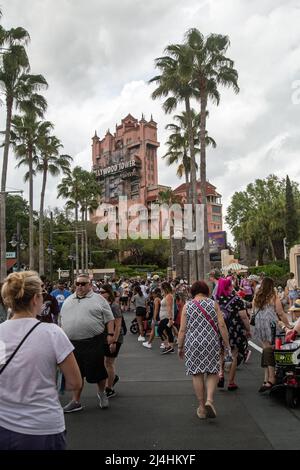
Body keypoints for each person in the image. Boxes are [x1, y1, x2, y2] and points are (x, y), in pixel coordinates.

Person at [0, 271, 82, 450]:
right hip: (43, 426)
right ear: (36, 298)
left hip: (4, 424)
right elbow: (75, 383)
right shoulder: (52, 333)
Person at [60, 274, 115, 412]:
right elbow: (61, 321)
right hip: (73, 344)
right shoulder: (68, 300)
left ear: (90, 285)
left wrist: (110, 334)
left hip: (93, 342)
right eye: (77, 283)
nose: (80, 286)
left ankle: (102, 394)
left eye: (83, 284)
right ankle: (75, 401)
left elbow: (109, 318)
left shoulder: (99, 299)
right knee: (76, 373)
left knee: (98, 371)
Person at [177, 281, 230, 419]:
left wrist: (179, 346)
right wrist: (227, 343)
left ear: (193, 291)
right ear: (206, 290)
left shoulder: (187, 306)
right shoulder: (213, 304)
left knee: (197, 373)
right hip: (211, 341)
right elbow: (222, 325)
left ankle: (201, 407)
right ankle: (210, 400)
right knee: (212, 371)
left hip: (193, 342)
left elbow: (182, 329)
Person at [253, 277, 290, 392]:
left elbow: (253, 311)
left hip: (260, 325)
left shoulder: (257, 296)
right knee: (271, 351)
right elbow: (280, 313)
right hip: (271, 325)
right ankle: (271, 378)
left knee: (266, 350)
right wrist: (288, 325)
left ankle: (266, 378)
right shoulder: (273, 296)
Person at [215, 277, 251, 391]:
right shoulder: (236, 299)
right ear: (229, 286)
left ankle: (220, 374)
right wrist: (248, 329)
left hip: (219, 329)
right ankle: (231, 382)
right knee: (234, 354)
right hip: (234, 330)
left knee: (220, 352)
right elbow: (244, 316)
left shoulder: (215, 299)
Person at [100, 284, 124, 398]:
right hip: (103, 337)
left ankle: (109, 388)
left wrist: (114, 341)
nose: (100, 294)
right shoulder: (101, 305)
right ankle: (112, 378)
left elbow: (118, 325)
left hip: (114, 337)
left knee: (109, 363)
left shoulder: (114, 306)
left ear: (109, 293)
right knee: (105, 362)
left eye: (103, 292)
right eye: (99, 292)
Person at [158, 282, 175, 354]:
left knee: (159, 330)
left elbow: (169, 308)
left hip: (167, 317)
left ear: (164, 288)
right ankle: (171, 347)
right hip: (164, 316)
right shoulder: (166, 295)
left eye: (161, 287)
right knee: (168, 331)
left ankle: (167, 346)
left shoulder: (169, 296)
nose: (160, 288)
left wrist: (170, 319)